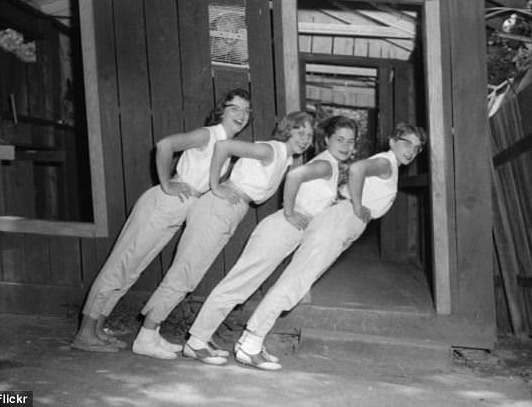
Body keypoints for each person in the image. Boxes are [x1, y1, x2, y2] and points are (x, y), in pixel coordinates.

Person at [71, 88, 251, 353]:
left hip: (176, 211)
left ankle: (97, 328)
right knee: (122, 265)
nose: (241, 115)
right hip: (163, 204)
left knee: (132, 268)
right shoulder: (208, 134)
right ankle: (85, 333)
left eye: (246, 110)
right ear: (221, 110)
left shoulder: (226, 145)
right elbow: (165, 144)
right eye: (235, 108)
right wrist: (166, 183)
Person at [234, 122, 427, 370]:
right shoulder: (386, 162)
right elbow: (357, 168)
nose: (411, 151)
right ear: (392, 141)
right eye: (406, 143)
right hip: (341, 220)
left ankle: (252, 341)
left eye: (417, 148)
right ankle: (250, 344)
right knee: (295, 282)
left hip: (342, 223)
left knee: (297, 281)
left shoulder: (390, 164)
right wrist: (357, 206)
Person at [132, 111, 315, 360]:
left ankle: (152, 334)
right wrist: (216, 185)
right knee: (185, 273)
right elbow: (224, 145)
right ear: (287, 130)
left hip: (231, 211)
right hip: (220, 207)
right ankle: (145, 336)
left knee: (189, 275)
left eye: (309, 134)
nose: (305, 138)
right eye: (300, 131)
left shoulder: (286, 159)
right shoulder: (271, 150)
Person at [185, 116, 358, 369]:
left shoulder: (328, 165)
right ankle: (196, 341)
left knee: (242, 286)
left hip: (289, 232)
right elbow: (295, 176)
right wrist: (289, 211)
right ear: (328, 140)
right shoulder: (326, 165)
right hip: (281, 229)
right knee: (239, 284)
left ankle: (204, 338)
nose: (345, 146)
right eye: (339, 139)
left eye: (350, 141)